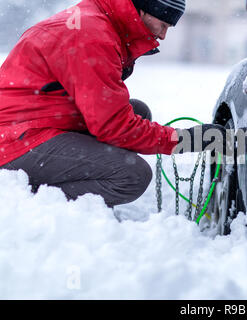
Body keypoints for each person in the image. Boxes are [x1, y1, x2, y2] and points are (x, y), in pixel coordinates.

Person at [0, 0, 225, 208]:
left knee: (138, 111)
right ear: (144, 8)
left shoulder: (98, 18)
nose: (163, 35)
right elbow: (114, 126)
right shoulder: (92, 37)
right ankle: (31, 201)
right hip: (14, 141)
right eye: (163, 24)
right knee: (132, 176)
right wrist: (183, 140)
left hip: (31, 121)